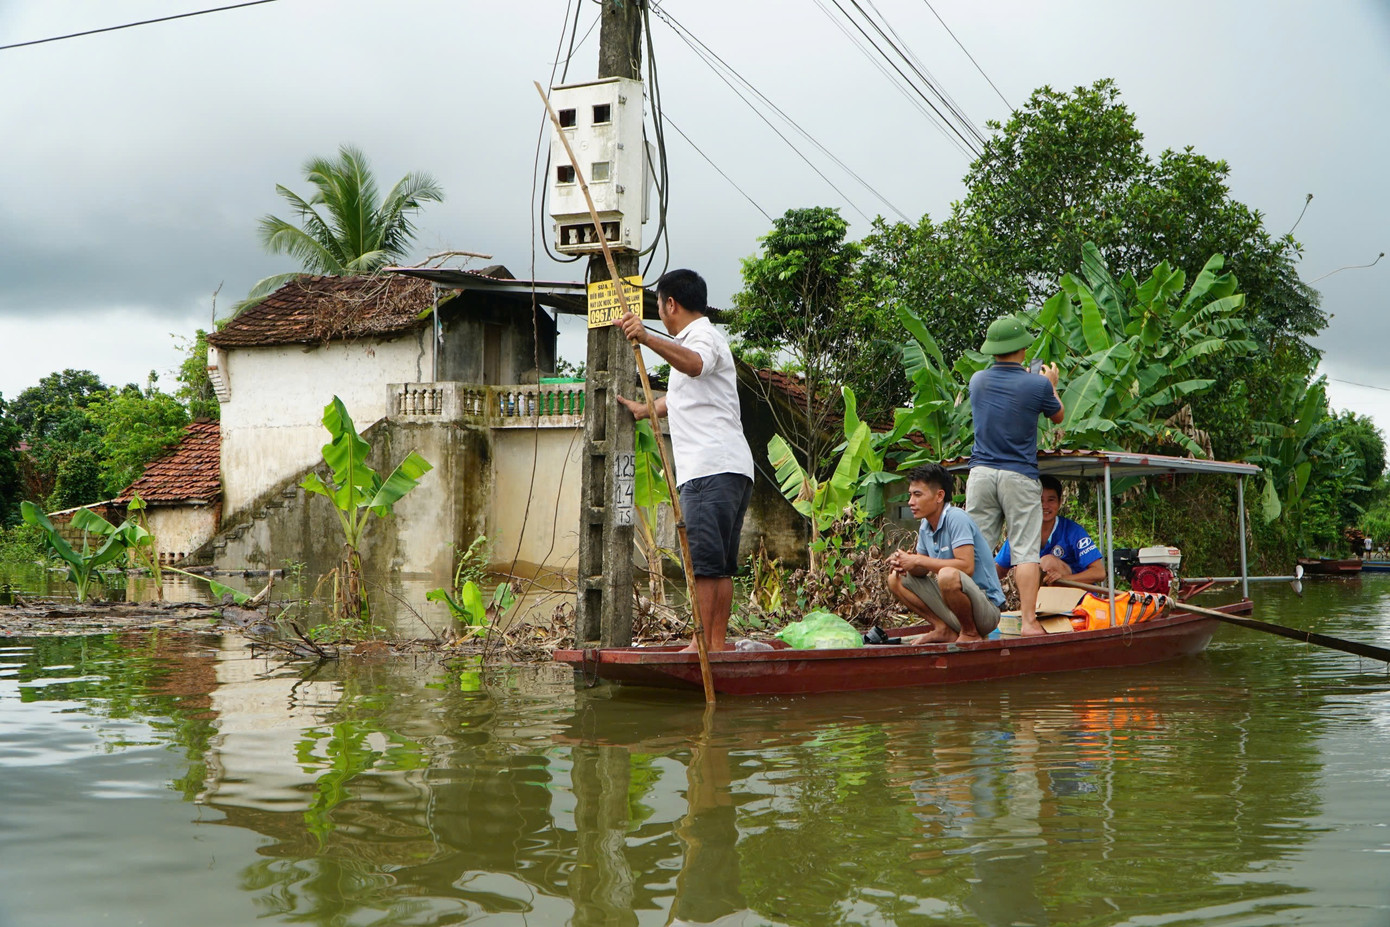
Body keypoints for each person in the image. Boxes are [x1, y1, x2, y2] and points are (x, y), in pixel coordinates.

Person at [616, 269, 754, 653]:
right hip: (726, 468)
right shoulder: (697, 339)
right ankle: (715, 645)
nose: (658, 312)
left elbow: (694, 364)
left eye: (658, 305)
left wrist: (646, 337)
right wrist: (645, 410)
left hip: (711, 470)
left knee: (705, 566)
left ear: (670, 304)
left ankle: (703, 647)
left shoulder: (702, 337)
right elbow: (683, 396)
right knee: (719, 566)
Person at [965, 315, 1064, 637]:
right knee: (1025, 551)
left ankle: (969, 623)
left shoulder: (977, 380)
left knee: (975, 549)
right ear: (1023, 348)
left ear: (992, 350)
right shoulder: (1037, 384)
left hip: (979, 474)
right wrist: (1051, 384)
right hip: (1018, 475)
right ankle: (1029, 622)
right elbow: (1058, 416)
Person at [885, 463, 1006, 644]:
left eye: (917, 494)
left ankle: (971, 633)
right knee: (896, 578)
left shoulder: (956, 518)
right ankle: (943, 628)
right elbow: (922, 571)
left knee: (947, 575)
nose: (911, 501)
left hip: (986, 610)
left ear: (939, 496)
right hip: (955, 609)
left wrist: (918, 559)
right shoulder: (926, 525)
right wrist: (906, 563)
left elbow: (966, 567)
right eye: (911, 495)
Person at [995, 475, 1105, 587]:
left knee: (1048, 562)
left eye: (1051, 500)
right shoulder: (1022, 532)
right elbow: (998, 569)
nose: (1045, 506)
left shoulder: (1073, 531)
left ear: (1060, 502)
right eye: (1040, 500)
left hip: (1077, 596)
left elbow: (1099, 573)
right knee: (1024, 567)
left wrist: (1065, 579)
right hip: (1039, 596)